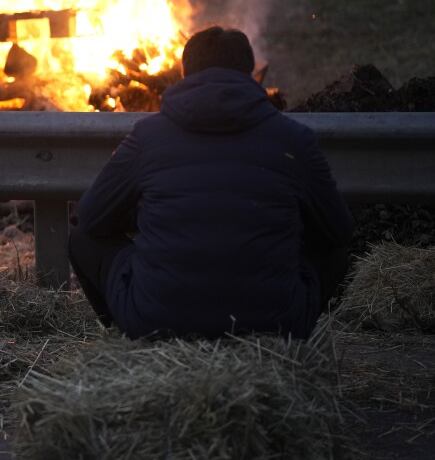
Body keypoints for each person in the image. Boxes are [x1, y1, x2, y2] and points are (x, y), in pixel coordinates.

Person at [69, 26, 355, 340]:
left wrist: (144, 214)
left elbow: (91, 219)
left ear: (183, 73)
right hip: (274, 327)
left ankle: (123, 340)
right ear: (250, 74)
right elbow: (338, 231)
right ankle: (292, 343)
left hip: (156, 323)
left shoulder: (147, 137)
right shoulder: (294, 139)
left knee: (83, 238)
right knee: (334, 251)